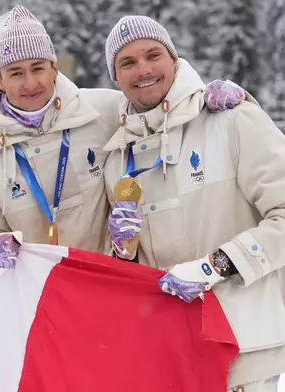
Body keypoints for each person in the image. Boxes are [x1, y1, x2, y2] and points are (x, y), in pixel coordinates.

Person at [0, 6, 239, 268]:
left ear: (54, 68)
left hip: (108, 287)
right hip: (39, 298)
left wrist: (204, 95)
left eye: (38, 68)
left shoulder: (104, 110)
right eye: (16, 73)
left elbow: (159, 107)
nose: (30, 83)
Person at [102, 15, 285, 392]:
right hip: (169, 351)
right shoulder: (118, 159)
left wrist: (216, 265)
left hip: (245, 349)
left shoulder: (231, 119)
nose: (144, 70)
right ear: (115, 79)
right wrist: (125, 251)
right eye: (128, 63)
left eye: (153, 55)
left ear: (174, 59)